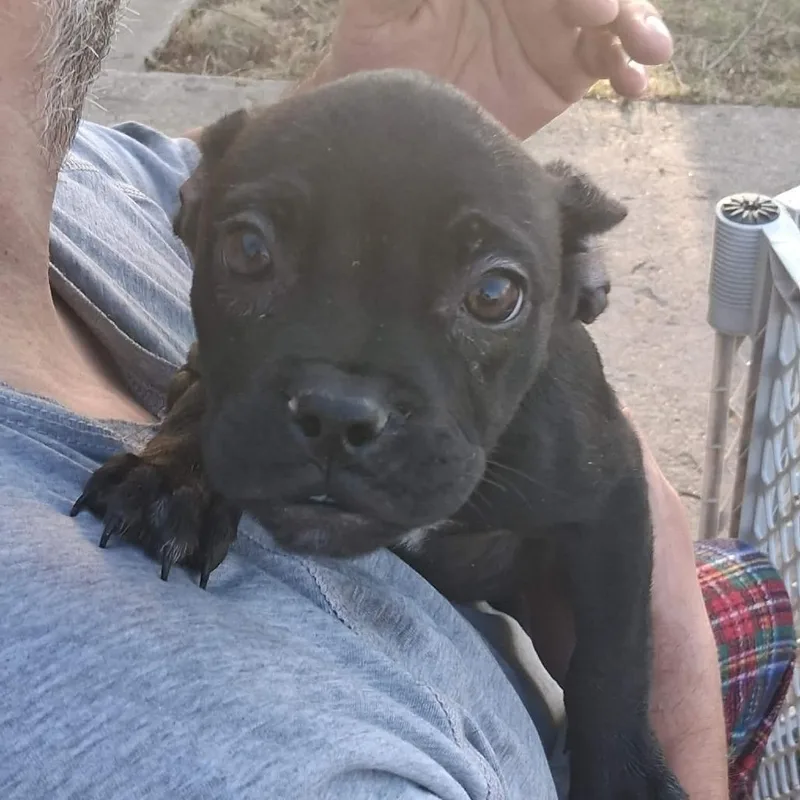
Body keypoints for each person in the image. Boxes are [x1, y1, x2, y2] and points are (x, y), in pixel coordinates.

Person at [0, 1, 793, 798]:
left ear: (578, 286)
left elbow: (614, 498)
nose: (349, 405)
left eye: (491, 295)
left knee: (761, 592)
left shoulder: (98, 176)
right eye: (252, 252)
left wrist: (615, 743)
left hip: (508, 568)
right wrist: (184, 451)